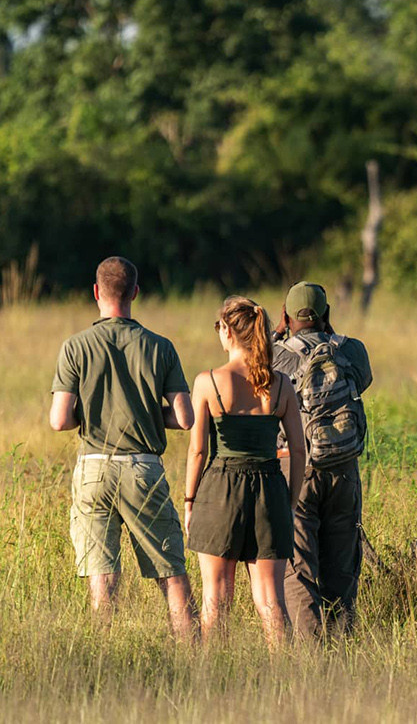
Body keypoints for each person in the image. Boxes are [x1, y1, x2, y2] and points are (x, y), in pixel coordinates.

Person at [48, 256, 198, 639]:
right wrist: (143, 412)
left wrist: (98, 411)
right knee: (171, 571)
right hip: (143, 467)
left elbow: (60, 420)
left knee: (102, 575)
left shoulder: (75, 346)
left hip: (94, 467)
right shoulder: (160, 346)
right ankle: (195, 657)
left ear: (96, 292)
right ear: (135, 292)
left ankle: (103, 653)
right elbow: (184, 418)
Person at [183, 296, 305, 646]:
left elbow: (198, 450)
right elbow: (298, 449)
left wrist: (189, 501)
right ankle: (285, 678)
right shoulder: (281, 384)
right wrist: (290, 501)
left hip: (220, 489)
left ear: (227, 331)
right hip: (270, 488)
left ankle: (213, 678)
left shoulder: (207, 381)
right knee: (271, 599)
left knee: (216, 598)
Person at [271, 281, 374, 639]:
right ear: (327, 315)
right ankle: (343, 645)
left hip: (294, 467)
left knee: (298, 566)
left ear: (285, 317)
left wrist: (275, 334)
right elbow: (363, 381)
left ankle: (312, 656)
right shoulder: (352, 351)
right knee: (343, 565)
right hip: (344, 467)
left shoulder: (275, 355)